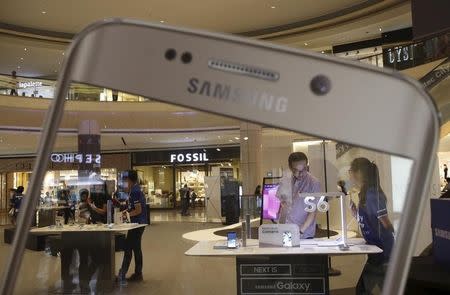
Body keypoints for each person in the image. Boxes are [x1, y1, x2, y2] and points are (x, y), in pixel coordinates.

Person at [349, 158, 395, 295]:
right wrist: (355, 214)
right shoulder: (365, 194)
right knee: (364, 289)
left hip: (383, 253)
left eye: (351, 171)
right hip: (376, 252)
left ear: (358, 173)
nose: (349, 175)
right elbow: (370, 221)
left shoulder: (372, 194)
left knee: (364, 290)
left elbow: (384, 222)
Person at [276, 152, 321, 238]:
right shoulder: (285, 180)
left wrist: (300, 231)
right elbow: (283, 205)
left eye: (304, 169)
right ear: (290, 168)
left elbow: (313, 212)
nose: (301, 174)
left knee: (302, 251)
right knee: (286, 251)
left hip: (304, 233)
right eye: (296, 170)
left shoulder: (314, 183)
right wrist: (280, 227)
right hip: (286, 229)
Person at [118, 170, 147, 284]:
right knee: (135, 248)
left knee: (129, 248)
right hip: (138, 224)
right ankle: (137, 273)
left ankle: (123, 274)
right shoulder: (134, 190)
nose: (124, 182)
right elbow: (134, 207)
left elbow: (138, 210)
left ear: (129, 180)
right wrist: (127, 211)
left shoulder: (135, 191)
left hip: (137, 224)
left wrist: (125, 215)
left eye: (125, 179)